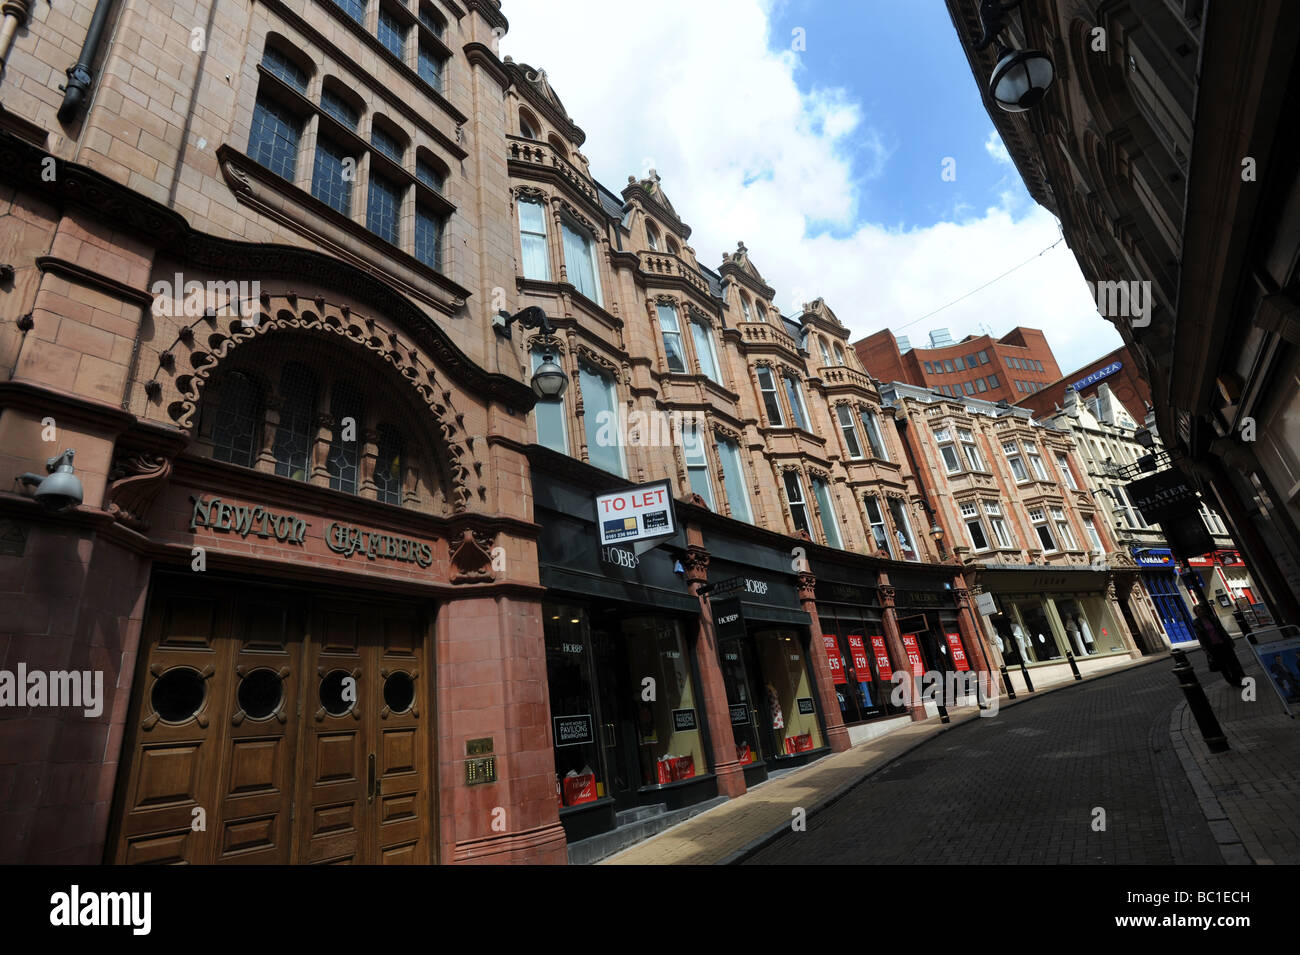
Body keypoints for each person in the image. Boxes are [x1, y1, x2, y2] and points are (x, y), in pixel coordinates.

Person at [1193, 603, 1246, 687]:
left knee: (1231, 663)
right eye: (1198, 611)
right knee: (1223, 666)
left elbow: (1221, 630)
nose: (1201, 611)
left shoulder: (1212, 618)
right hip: (1213, 647)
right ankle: (1231, 681)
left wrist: (1229, 640)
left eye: (1201, 609)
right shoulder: (1197, 623)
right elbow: (1201, 638)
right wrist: (1206, 649)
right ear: (1196, 613)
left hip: (1223, 643)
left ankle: (1237, 680)